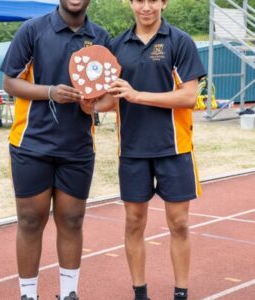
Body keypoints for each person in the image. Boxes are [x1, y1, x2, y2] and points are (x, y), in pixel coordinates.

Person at [95, 0, 206, 299]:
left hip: (175, 148)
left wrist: (137, 95)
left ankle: (180, 292)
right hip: (132, 150)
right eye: (139, 0)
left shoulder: (180, 41)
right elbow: (109, 100)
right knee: (133, 223)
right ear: (129, 3)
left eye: (153, 0)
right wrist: (84, 103)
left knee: (179, 223)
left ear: (164, 3)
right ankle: (140, 292)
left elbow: (188, 96)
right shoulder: (116, 45)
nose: (146, 7)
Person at [0, 1, 109, 299]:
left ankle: (69, 293)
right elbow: (9, 81)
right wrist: (50, 92)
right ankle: (28, 294)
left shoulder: (101, 36)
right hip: (31, 143)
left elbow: (106, 94)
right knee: (31, 220)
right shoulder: (33, 30)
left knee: (72, 220)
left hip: (78, 146)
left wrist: (92, 104)